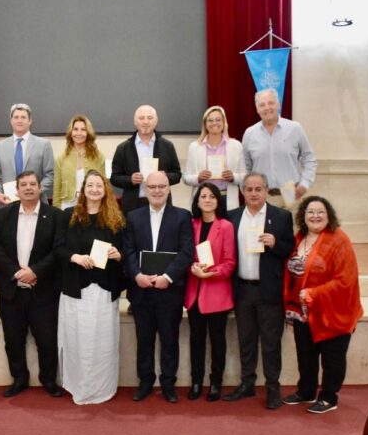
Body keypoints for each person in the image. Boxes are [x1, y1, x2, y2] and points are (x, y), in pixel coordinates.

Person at [282, 196, 363, 414]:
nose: (315, 216)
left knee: (332, 357)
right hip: (302, 311)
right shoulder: (299, 238)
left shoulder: (339, 240)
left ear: (329, 216)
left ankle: (329, 397)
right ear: (303, 216)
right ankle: (306, 391)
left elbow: (345, 280)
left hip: (332, 311)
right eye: (310, 212)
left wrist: (314, 293)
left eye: (320, 212)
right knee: (305, 354)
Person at [0, 170, 63, 398]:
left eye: (32, 184)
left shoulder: (55, 215)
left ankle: (48, 380)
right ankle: (19, 378)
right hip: (11, 290)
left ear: (40, 188)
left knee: (47, 341)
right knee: (13, 340)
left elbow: (58, 250)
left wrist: (35, 271)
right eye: (24, 185)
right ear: (17, 190)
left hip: (43, 291)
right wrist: (16, 272)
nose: (28, 188)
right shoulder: (5, 214)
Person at [224, 173, 295, 409]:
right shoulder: (232, 217)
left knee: (271, 342)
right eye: (249, 189)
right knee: (246, 340)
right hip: (242, 289)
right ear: (242, 191)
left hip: (269, 290)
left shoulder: (281, 217)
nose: (253, 193)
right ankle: (247, 384)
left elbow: (289, 249)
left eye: (258, 189)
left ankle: (273, 387)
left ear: (266, 191)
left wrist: (275, 243)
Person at [55, 170, 125, 404]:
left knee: (103, 343)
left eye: (99, 185)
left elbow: (125, 251)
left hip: (104, 291)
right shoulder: (68, 216)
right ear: (83, 190)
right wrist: (75, 257)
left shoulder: (115, 218)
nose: (94, 189)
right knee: (78, 341)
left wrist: (118, 254)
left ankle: (101, 387)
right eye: (90, 185)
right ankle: (78, 386)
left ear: (105, 190)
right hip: (76, 290)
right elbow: (57, 249)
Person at [123, 171, 193, 403]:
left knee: (169, 339)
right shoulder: (134, 217)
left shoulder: (182, 216)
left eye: (161, 186)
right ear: (146, 189)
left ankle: (168, 383)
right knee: (144, 340)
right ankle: (145, 382)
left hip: (169, 290)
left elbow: (186, 251)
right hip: (141, 290)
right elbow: (128, 250)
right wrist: (136, 275)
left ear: (169, 188)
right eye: (152, 186)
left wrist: (168, 277)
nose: (157, 190)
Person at [183, 182, 236, 402]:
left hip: (217, 293)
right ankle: (196, 381)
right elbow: (184, 255)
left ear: (218, 201)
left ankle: (215, 383)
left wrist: (210, 273)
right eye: (203, 196)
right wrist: (192, 267)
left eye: (212, 196)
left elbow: (230, 262)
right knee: (196, 340)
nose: (207, 200)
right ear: (197, 201)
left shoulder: (226, 226)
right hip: (194, 293)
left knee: (217, 341)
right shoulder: (190, 224)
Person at [242, 89, 317, 207]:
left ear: (278, 105)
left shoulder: (295, 129)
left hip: (291, 196)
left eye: (271, 103)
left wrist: (305, 184)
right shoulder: (249, 133)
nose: (267, 108)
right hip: (262, 197)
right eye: (262, 105)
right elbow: (245, 167)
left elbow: (309, 158)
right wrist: (248, 191)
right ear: (257, 109)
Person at [110, 105, 182, 216]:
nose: (145, 122)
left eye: (150, 118)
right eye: (141, 118)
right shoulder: (123, 148)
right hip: (133, 205)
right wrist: (130, 180)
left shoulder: (167, 146)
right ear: (135, 122)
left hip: (161, 203)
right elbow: (114, 178)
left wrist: (165, 177)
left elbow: (177, 175)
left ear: (156, 121)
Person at [182, 106, 245, 213]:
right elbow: (186, 177)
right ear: (205, 124)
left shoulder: (236, 146)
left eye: (218, 119)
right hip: (203, 200)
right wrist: (198, 178)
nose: (214, 123)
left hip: (226, 198)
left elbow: (244, 176)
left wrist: (233, 177)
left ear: (224, 122)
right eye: (210, 120)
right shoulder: (194, 147)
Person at [0, 103, 55, 204]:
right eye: (16, 117)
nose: (19, 120)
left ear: (30, 121)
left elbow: (50, 175)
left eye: (23, 117)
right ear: (11, 121)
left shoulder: (44, 145)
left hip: (36, 203)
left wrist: (36, 191)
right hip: (8, 203)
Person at [53, 115, 106, 210]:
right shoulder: (61, 159)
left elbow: (104, 186)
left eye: (83, 129)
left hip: (92, 205)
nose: (79, 133)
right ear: (71, 132)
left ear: (88, 133)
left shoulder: (98, 157)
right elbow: (56, 189)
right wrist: (56, 211)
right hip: (66, 205)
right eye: (75, 129)